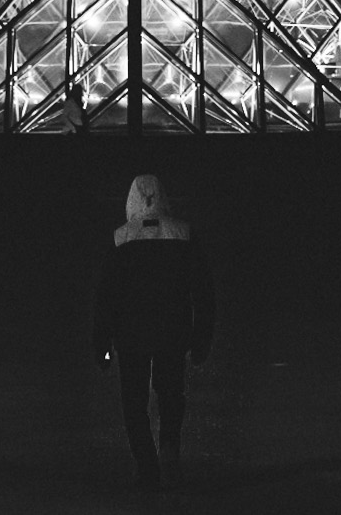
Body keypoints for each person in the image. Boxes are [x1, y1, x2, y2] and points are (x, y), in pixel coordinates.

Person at [93, 175, 215, 490]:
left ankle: (147, 466)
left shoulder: (121, 238)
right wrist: (201, 340)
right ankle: (170, 451)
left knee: (134, 403)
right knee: (171, 395)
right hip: (173, 333)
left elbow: (106, 299)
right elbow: (203, 293)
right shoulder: (184, 234)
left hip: (131, 336)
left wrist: (103, 347)